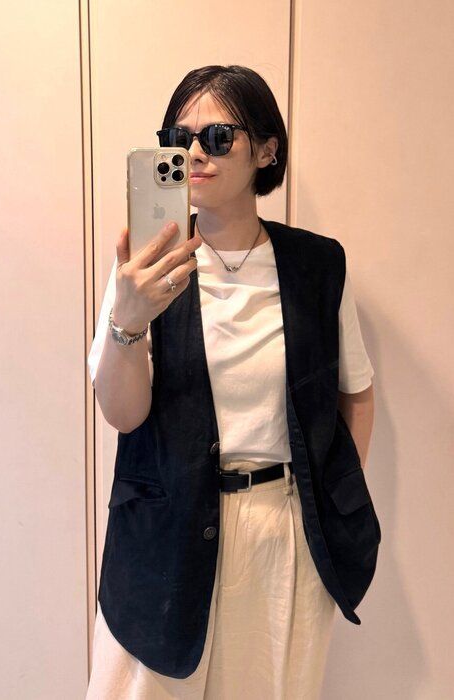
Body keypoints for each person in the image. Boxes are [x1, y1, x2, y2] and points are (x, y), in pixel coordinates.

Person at [86, 65, 375, 699]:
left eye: (218, 137)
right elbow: (124, 414)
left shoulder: (317, 266)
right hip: (164, 538)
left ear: (266, 151)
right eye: (177, 137)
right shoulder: (143, 268)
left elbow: (355, 392)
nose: (194, 153)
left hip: (282, 540)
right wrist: (127, 321)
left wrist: (330, 503)